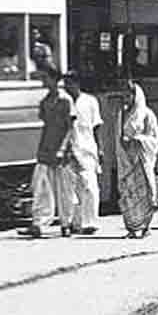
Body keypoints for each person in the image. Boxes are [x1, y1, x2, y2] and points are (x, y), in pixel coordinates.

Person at [19, 65, 73, 238]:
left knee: (63, 188)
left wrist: (63, 148)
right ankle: (39, 223)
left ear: (55, 80)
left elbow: (70, 127)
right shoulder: (45, 101)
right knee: (41, 186)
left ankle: (66, 223)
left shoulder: (65, 100)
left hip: (61, 150)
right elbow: (45, 122)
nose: (43, 82)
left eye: (46, 78)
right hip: (46, 148)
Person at [60, 71, 103, 236]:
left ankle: (90, 222)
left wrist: (100, 148)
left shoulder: (90, 101)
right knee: (68, 189)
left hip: (87, 149)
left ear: (77, 84)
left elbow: (96, 125)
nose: (66, 87)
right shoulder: (63, 102)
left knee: (89, 186)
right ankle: (71, 222)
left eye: (69, 84)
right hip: (67, 150)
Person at [117, 80, 158, 238]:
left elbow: (154, 139)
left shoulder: (147, 115)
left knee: (145, 192)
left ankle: (145, 226)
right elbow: (118, 137)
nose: (126, 98)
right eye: (125, 95)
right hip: (126, 161)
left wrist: (137, 140)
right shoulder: (122, 114)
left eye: (129, 95)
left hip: (141, 160)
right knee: (128, 193)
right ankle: (131, 227)